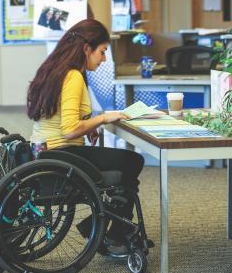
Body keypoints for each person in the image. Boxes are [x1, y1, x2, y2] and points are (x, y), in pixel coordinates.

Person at [27, 19, 145, 254]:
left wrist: (88, 125)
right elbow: (70, 129)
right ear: (86, 48)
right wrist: (102, 119)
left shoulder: (53, 68)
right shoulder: (73, 77)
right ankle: (107, 230)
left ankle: (105, 229)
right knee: (132, 162)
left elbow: (63, 118)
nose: (103, 60)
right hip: (62, 154)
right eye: (102, 52)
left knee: (125, 172)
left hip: (43, 151)